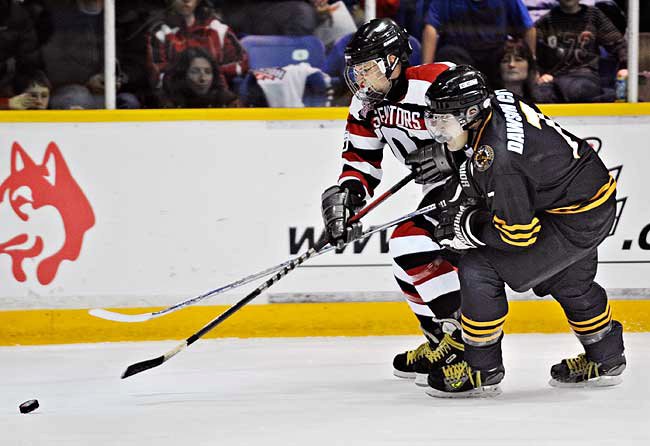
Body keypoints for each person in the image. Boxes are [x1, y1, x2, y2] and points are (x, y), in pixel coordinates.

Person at [418, 65, 625, 397]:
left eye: (445, 119)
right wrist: (462, 160)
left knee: (477, 265)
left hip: (573, 217)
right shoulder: (499, 99)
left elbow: (517, 236)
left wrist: (468, 228)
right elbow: (524, 158)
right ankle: (607, 358)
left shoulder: (500, 162)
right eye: (435, 119)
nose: (439, 128)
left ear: (471, 113)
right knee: (570, 280)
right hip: (579, 197)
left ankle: (482, 368)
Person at [320, 18, 468, 387]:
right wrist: (347, 199)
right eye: (356, 71)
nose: (361, 79)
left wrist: (449, 151)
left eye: (368, 69)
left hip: (477, 182)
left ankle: (467, 343)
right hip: (439, 192)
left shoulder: (438, 79)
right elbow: (360, 163)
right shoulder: (365, 106)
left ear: (393, 60)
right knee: (407, 268)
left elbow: (484, 126)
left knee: (408, 241)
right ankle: (441, 342)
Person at [421, 0, 536, 88]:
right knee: (448, 53)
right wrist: (425, 70)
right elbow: (431, 28)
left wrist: (533, 67)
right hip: (460, 55)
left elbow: (528, 29)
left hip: (495, 55)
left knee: (508, 57)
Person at [535, 0, 627, 103]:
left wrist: (624, 67)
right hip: (554, 79)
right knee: (538, 95)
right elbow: (533, 53)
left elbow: (618, 44)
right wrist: (540, 74)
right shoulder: (546, 21)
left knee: (577, 90)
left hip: (585, 76)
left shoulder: (593, 15)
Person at [146, 0, 248, 91]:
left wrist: (212, 73)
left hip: (217, 99)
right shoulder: (160, 33)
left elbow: (241, 63)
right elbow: (157, 77)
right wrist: (188, 77)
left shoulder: (218, 29)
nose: (186, 0)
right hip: (177, 101)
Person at [158, 47, 237, 108]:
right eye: (195, 72)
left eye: (208, 72)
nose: (202, 79)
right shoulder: (168, 101)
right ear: (183, 74)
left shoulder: (227, 101)